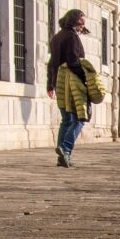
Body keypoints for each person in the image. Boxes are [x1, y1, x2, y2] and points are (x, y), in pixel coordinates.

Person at [46, 10, 90, 168]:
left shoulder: (57, 37)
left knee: (66, 120)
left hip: (59, 82)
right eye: (81, 23)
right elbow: (73, 60)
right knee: (81, 117)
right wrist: (86, 78)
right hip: (72, 82)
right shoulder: (72, 37)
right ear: (74, 21)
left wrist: (50, 84)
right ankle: (65, 149)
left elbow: (52, 63)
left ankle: (62, 157)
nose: (83, 26)